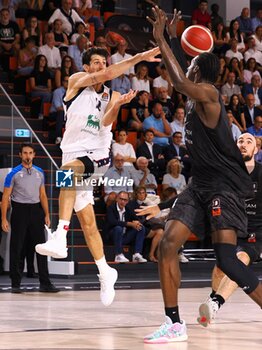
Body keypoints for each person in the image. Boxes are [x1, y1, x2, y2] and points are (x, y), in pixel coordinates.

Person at [139, 7, 262, 343]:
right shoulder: (193, 100)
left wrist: (163, 39)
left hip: (226, 185)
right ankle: (174, 323)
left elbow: (178, 79)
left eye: (191, 62)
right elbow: (179, 78)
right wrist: (170, 42)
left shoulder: (210, 95)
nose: (187, 64)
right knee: (167, 244)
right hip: (199, 185)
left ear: (198, 70)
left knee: (226, 258)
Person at [35, 46, 160, 306]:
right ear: (87, 66)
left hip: (98, 154)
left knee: (67, 174)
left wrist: (117, 104)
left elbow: (106, 123)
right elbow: (107, 74)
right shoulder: (76, 81)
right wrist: (137, 59)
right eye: (96, 62)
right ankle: (105, 271)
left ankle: (60, 236)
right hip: (71, 152)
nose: (101, 66)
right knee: (88, 221)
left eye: (104, 62)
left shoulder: (112, 93)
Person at [197, 133, 262, 326]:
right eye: (240, 141)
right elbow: (196, 191)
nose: (243, 144)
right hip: (231, 228)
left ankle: (215, 303)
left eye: (249, 142)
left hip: (255, 233)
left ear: (256, 150)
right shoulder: (225, 173)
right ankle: (213, 302)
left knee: (240, 259)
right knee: (220, 268)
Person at [1, 143, 59, 293]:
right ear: (20, 155)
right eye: (25, 153)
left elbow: (43, 195)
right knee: (17, 247)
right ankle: (15, 283)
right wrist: (3, 218)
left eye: (30, 153)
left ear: (34, 155)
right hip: (19, 211)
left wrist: (47, 214)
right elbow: (6, 197)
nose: (28, 156)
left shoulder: (40, 172)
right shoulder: (13, 173)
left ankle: (45, 282)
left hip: (36, 211)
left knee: (41, 248)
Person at [104, 191, 147, 263]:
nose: (122, 202)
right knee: (118, 228)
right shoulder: (111, 208)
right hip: (112, 237)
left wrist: (137, 222)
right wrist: (129, 224)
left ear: (127, 201)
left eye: (125, 200)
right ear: (117, 199)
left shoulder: (128, 209)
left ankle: (137, 254)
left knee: (140, 227)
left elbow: (136, 219)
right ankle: (118, 255)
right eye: (121, 199)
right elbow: (113, 222)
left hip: (124, 237)